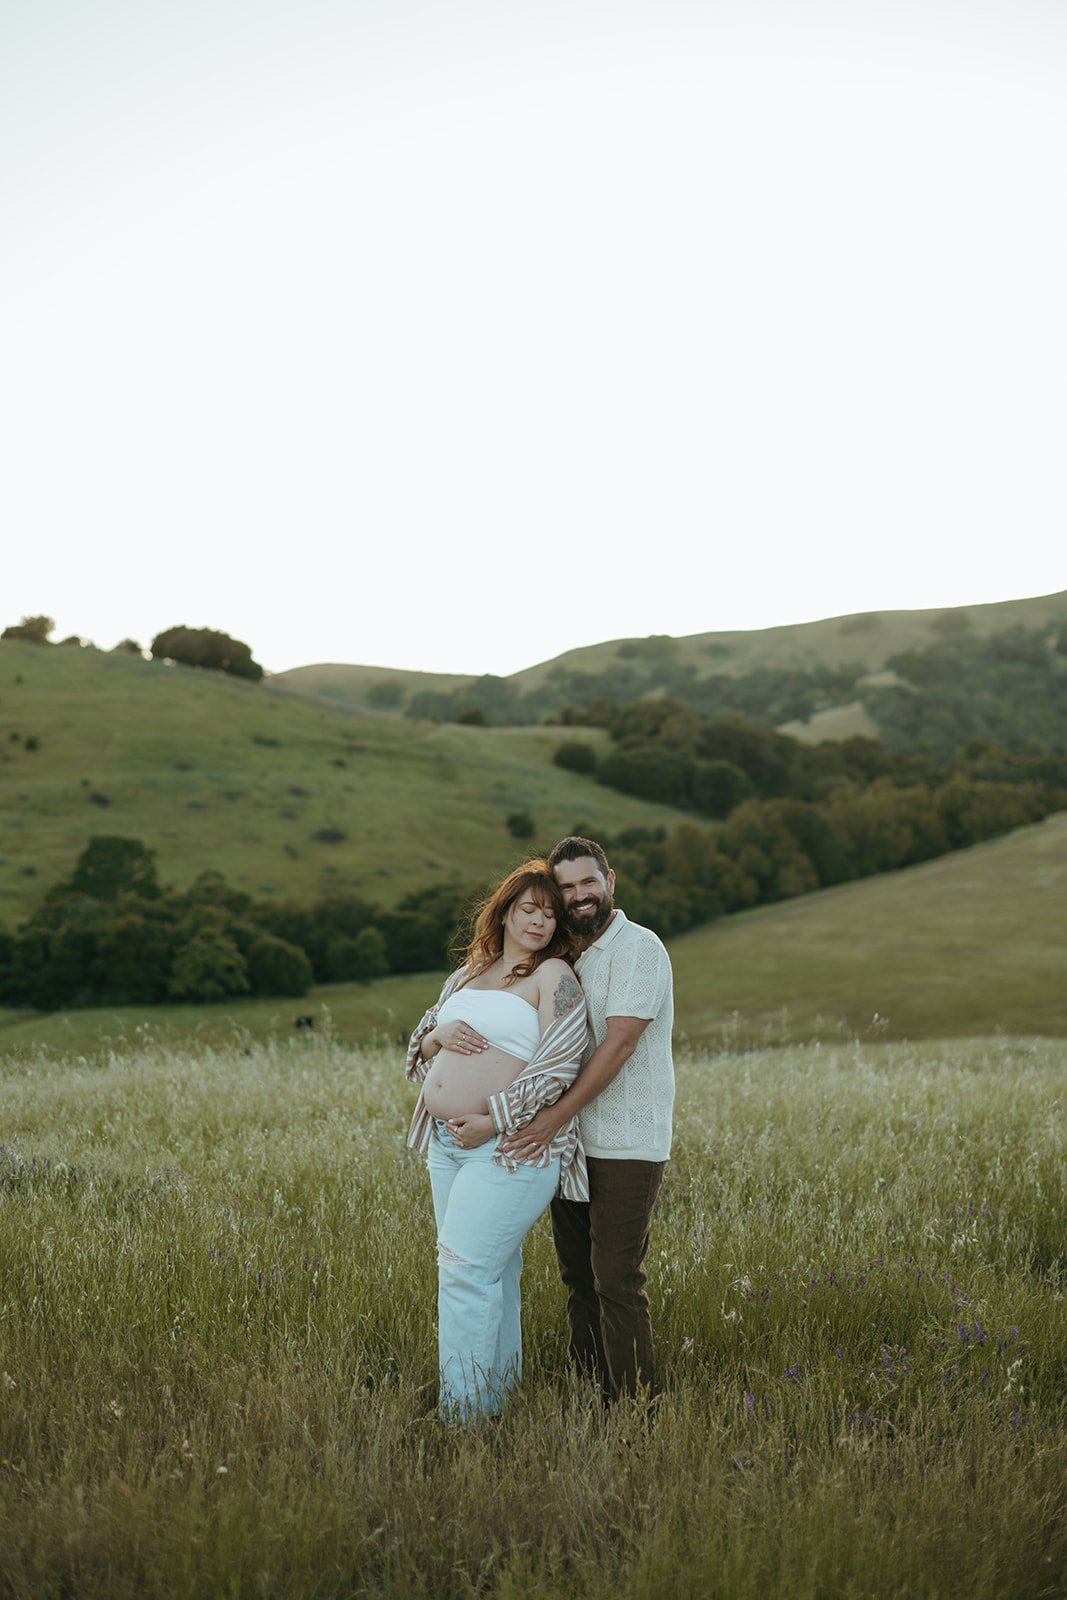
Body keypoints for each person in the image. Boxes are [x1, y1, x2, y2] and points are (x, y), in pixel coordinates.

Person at [405, 861, 589, 1424]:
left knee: (462, 1269)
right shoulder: (467, 974)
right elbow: (418, 1053)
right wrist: (436, 1035)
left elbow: (563, 1063)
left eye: (549, 913)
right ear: (506, 911)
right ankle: (494, 1402)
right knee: (491, 1271)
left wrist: (493, 1117)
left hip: (509, 1148)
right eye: (528, 909)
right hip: (446, 1145)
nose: (538, 920)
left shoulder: (553, 975)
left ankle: (459, 1420)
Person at [501, 836, 674, 1403]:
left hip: (626, 1142)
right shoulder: (565, 956)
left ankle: (634, 1410)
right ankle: (588, 1393)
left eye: (587, 883)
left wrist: (552, 1116)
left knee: (616, 1279)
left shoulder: (638, 948)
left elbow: (619, 1043)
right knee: (577, 1279)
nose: (578, 896)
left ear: (610, 881)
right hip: (571, 1143)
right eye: (566, 887)